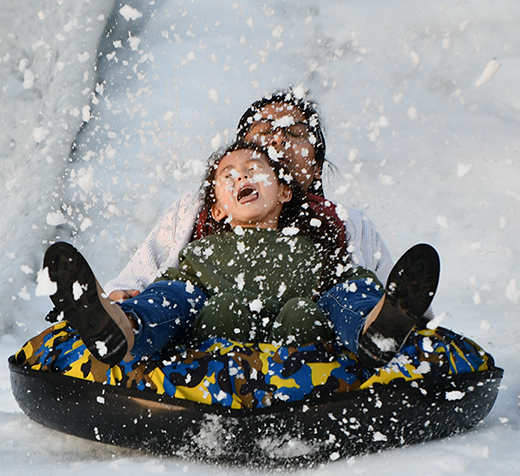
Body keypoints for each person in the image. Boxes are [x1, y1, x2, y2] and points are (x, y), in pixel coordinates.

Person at [42, 141, 440, 372]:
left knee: (346, 287)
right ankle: (123, 327)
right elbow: (173, 286)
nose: (241, 178)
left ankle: (376, 326)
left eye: (253, 169)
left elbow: (338, 282)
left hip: (301, 323)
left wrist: (365, 293)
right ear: (216, 209)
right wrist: (127, 295)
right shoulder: (202, 251)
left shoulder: (313, 246)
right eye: (227, 177)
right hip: (221, 323)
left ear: (284, 192)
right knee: (175, 296)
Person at [103, 88, 395, 302]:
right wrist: (124, 296)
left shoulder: (348, 223)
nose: (278, 138)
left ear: (316, 168)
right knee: (174, 292)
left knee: (354, 291)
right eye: (264, 130)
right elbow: (140, 274)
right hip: (206, 336)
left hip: (313, 341)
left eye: (294, 133)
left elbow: (394, 295)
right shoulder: (196, 208)